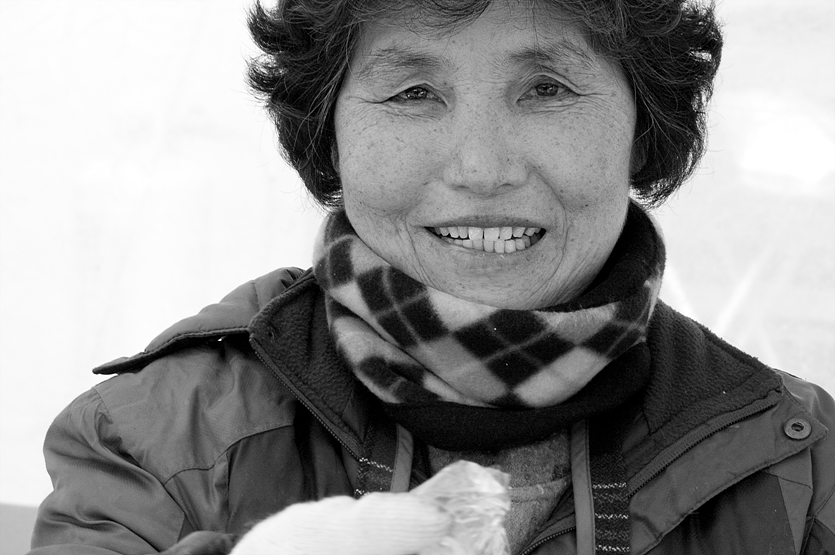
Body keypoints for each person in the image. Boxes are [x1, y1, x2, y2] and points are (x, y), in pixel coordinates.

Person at [28, 0, 835, 553]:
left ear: (643, 126)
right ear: (329, 133)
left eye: (546, 88)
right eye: (413, 92)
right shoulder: (156, 438)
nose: (481, 167)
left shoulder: (798, 459)